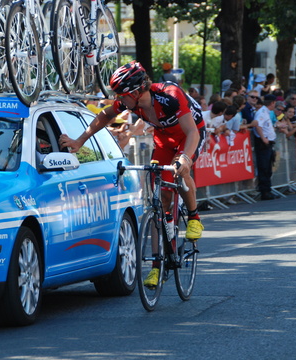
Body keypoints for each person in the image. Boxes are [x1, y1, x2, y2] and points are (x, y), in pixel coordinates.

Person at [59, 61, 206, 287]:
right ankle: (158, 265)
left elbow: (192, 133)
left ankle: (194, 217)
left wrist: (185, 158)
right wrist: (80, 140)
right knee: (161, 199)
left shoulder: (170, 95)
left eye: (122, 94)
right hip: (164, 139)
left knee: (180, 169)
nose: (119, 99)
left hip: (190, 135)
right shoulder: (129, 103)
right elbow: (104, 116)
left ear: (137, 92)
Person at [251, 94, 278, 201]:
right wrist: (263, 139)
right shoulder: (262, 112)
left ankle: (268, 189)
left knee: (268, 167)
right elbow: (258, 125)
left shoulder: (266, 112)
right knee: (264, 167)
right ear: (272, 103)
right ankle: (264, 191)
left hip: (268, 143)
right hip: (263, 143)